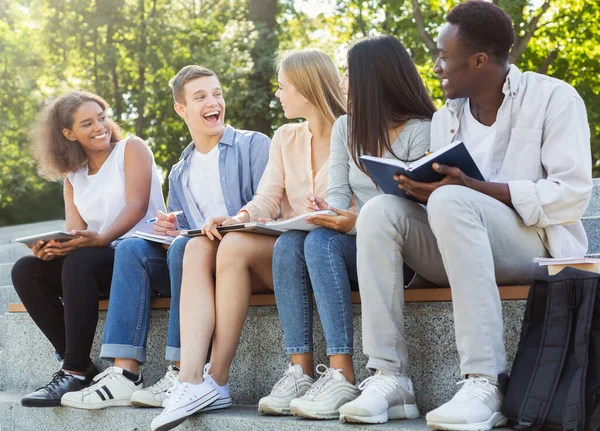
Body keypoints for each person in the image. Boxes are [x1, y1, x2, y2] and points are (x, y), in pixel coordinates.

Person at [339, 1, 593, 429]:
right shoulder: (446, 118)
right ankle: (390, 377)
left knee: (452, 200)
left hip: (534, 245)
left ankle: (485, 380)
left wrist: (469, 189)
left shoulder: (554, 98)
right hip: (459, 242)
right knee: (381, 210)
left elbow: (571, 194)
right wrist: (417, 191)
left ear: (478, 60)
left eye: (443, 56)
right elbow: (448, 204)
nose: (436, 66)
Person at [150, 48, 346, 431]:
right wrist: (238, 217)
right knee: (198, 245)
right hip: (284, 249)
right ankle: (191, 380)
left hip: (322, 249)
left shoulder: (350, 130)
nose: (277, 95)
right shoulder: (285, 137)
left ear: (306, 88)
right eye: (201, 96)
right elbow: (267, 199)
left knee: (235, 245)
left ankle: (218, 377)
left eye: (282, 87)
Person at [62, 65, 271, 409]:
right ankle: (125, 374)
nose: (213, 102)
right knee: (134, 247)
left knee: (185, 250)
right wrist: (169, 229)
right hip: (197, 268)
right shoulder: (181, 171)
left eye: (216, 93)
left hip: (245, 263)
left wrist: (232, 222)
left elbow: (272, 206)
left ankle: (179, 369)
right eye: (200, 96)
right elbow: (185, 225)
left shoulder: (253, 145)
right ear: (181, 109)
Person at [258, 35, 434, 421]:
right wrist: (326, 210)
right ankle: (301, 372)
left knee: (320, 244)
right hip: (359, 242)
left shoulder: (423, 129)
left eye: (350, 73)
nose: (342, 83)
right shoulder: (345, 129)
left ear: (374, 77)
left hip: (403, 252)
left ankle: (342, 373)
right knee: (291, 242)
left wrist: (353, 220)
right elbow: (339, 197)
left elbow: (415, 211)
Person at [12, 91, 165, 407]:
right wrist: (52, 249)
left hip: (143, 257)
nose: (100, 127)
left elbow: (137, 205)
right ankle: (81, 368)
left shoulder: (130, 149)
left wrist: (100, 238)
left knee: (82, 258)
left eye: (102, 117)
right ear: (69, 134)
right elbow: (75, 234)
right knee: (26, 270)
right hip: (98, 262)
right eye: (88, 123)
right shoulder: (73, 178)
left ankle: (73, 368)